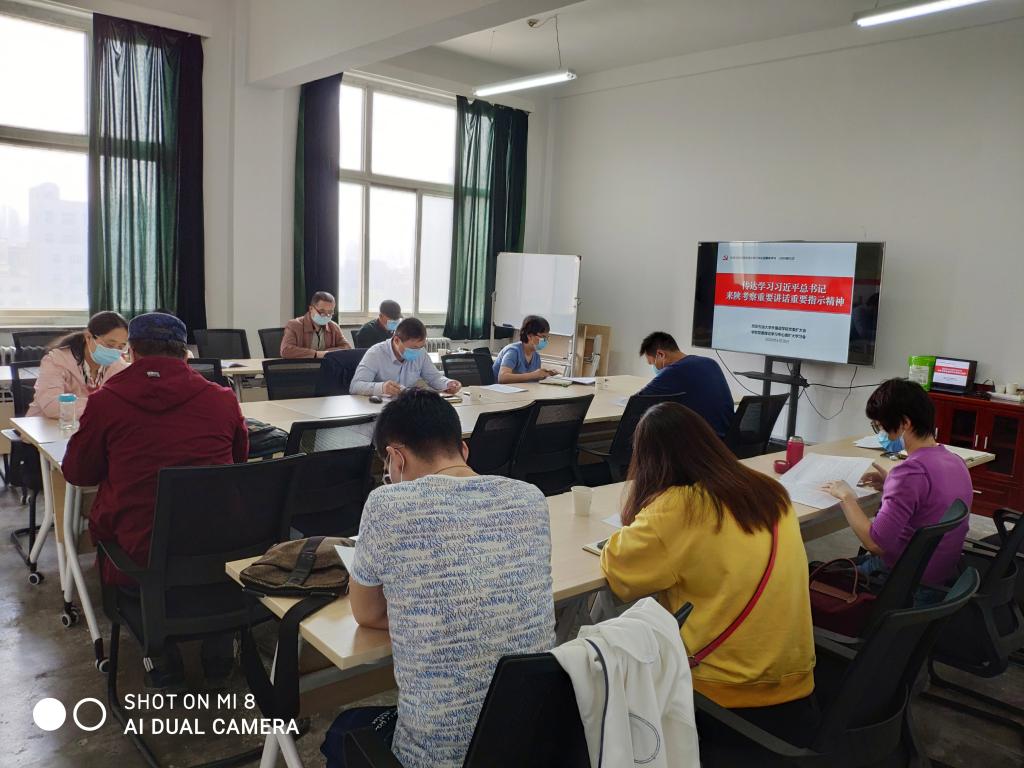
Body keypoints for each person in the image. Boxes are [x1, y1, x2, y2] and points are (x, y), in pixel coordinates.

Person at [325, 389, 555, 768]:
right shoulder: (530, 498)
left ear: (396, 457)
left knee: (341, 732)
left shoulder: (387, 505)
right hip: (531, 746)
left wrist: (427, 616)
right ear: (463, 449)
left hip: (435, 759)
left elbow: (365, 614)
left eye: (387, 468)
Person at [600, 402, 817, 738]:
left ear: (650, 462)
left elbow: (619, 571)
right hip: (798, 688)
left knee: (606, 665)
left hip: (722, 697)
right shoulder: (770, 491)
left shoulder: (678, 507)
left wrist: (646, 508)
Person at [62, 312, 249, 687]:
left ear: (131, 352)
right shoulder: (222, 399)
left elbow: (79, 472)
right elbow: (239, 461)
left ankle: (160, 655)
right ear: (185, 354)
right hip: (216, 550)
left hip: (139, 556)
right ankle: (219, 648)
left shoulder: (106, 402)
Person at [822, 378, 972, 597]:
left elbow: (875, 543)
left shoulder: (909, 473)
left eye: (881, 426)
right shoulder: (955, 461)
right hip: (940, 577)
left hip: (901, 582)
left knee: (815, 573)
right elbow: (929, 499)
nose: (881, 434)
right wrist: (890, 485)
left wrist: (846, 497)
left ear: (905, 423)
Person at [27, 311, 129, 418]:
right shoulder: (56, 360)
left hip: (88, 424)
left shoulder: (118, 366)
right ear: (88, 337)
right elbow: (52, 406)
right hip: (44, 424)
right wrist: (104, 405)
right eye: (110, 345)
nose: (114, 351)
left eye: (121, 347)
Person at [637, 331, 734, 437]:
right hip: (726, 439)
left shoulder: (674, 371)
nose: (654, 367)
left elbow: (636, 404)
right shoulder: (710, 363)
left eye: (652, 363)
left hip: (702, 442)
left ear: (661, 354)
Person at [349, 317, 460, 397]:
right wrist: (382, 388)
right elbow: (355, 386)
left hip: (407, 407)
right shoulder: (375, 354)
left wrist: (448, 384)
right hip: (379, 410)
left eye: (421, 347)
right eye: (413, 348)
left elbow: (434, 377)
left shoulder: (421, 352)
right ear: (397, 340)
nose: (417, 351)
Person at [281, 291, 352, 358]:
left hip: (327, 366)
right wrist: (316, 354)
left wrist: (327, 352)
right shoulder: (294, 325)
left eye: (330, 312)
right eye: (322, 311)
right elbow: (286, 350)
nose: (326, 315)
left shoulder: (333, 327)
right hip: (302, 366)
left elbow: (347, 348)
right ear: (311, 309)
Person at [492, 315, 560, 383]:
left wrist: (546, 375)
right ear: (530, 336)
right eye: (543, 336)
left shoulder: (536, 356)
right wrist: (534, 375)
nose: (545, 340)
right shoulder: (513, 351)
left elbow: (532, 380)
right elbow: (502, 378)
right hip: (500, 389)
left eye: (547, 337)